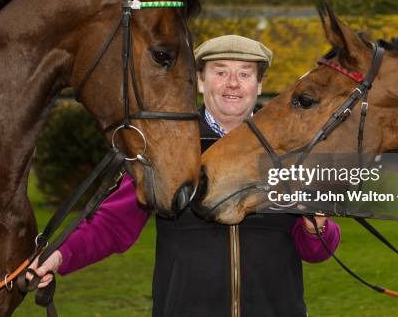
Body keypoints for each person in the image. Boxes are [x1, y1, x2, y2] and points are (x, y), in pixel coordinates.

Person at [31, 35, 341, 317]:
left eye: (245, 74)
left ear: (259, 85)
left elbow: (315, 251)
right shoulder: (169, 148)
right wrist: (60, 256)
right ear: (201, 81)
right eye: (220, 72)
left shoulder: (288, 150)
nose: (233, 83)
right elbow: (114, 225)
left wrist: (318, 225)